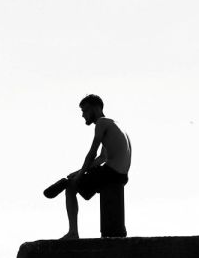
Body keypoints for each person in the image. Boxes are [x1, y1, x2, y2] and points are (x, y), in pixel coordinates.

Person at [43, 94, 132, 239]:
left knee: (71, 187)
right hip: (120, 174)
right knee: (74, 178)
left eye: (85, 111)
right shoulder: (114, 124)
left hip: (111, 173)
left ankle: (73, 232)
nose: (83, 115)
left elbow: (92, 154)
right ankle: (68, 179)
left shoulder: (101, 123)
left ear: (96, 108)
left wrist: (78, 177)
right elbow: (102, 157)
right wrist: (79, 172)